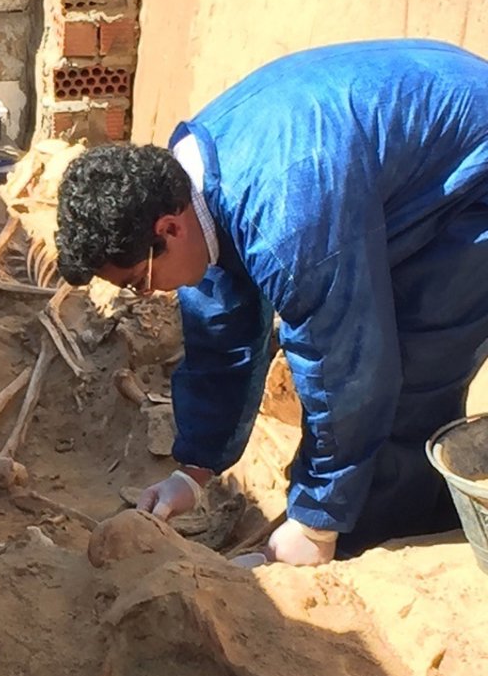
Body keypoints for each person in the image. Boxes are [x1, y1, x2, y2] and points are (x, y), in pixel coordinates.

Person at [54, 40, 488, 565]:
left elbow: (346, 371)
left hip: (470, 169)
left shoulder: (286, 219)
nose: (147, 294)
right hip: (401, 151)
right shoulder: (192, 188)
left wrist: (315, 522)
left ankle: (389, 535)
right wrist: (192, 472)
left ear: (167, 229)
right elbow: (221, 335)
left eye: (138, 280)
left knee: (415, 359)